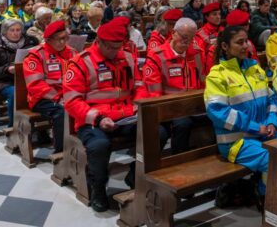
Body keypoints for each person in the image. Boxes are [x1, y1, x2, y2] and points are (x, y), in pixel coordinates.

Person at [62, 18, 163, 212]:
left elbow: (139, 86)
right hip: (93, 120)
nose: (115, 51)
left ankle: (135, 175)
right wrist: (98, 118)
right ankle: (98, 189)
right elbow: (72, 101)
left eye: (118, 47)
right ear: (98, 41)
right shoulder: (80, 63)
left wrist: (138, 105)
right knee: (99, 145)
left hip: (126, 115)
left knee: (157, 132)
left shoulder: (127, 58)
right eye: (110, 47)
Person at [204, 25, 277, 196]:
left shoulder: (255, 69)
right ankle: (267, 200)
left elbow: (272, 100)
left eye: (246, 41)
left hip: (264, 133)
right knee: (275, 160)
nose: (245, 46)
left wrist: (272, 122)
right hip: (236, 141)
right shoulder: (217, 75)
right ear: (225, 46)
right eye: (239, 42)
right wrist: (255, 127)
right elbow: (217, 111)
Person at [139, 18, 204, 154]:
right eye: (184, 37)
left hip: (194, 104)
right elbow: (154, 93)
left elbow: (203, 80)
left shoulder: (196, 53)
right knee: (183, 124)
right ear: (174, 33)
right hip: (169, 106)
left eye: (191, 38)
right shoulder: (157, 55)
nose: (187, 42)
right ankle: (179, 159)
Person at [24, 20, 75, 153]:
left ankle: (80, 145)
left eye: (65, 38)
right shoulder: (36, 55)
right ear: (48, 39)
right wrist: (58, 98)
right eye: (59, 39)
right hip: (42, 98)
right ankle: (62, 151)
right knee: (61, 112)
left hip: (68, 95)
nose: (63, 42)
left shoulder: (72, 53)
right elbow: (35, 85)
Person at [0, 19, 38, 127]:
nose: (16, 33)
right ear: (5, 32)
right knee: (16, 93)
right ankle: (13, 126)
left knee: (41, 90)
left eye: (18, 30)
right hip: (5, 82)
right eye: (12, 30)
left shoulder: (29, 44)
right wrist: (7, 69)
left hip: (26, 79)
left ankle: (37, 126)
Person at [191, 2, 223, 79]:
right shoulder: (201, 34)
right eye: (214, 14)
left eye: (219, 14)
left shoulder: (224, 31)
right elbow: (200, 59)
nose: (218, 17)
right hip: (209, 74)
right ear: (206, 17)